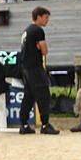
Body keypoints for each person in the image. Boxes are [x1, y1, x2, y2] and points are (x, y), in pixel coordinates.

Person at [17, 7, 58, 135]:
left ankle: (24, 124)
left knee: (29, 95)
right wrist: (40, 47)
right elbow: (45, 51)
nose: (47, 20)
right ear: (38, 17)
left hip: (25, 66)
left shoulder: (27, 31)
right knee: (43, 93)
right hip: (34, 66)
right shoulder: (38, 30)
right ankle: (45, 124)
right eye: (46, 17)